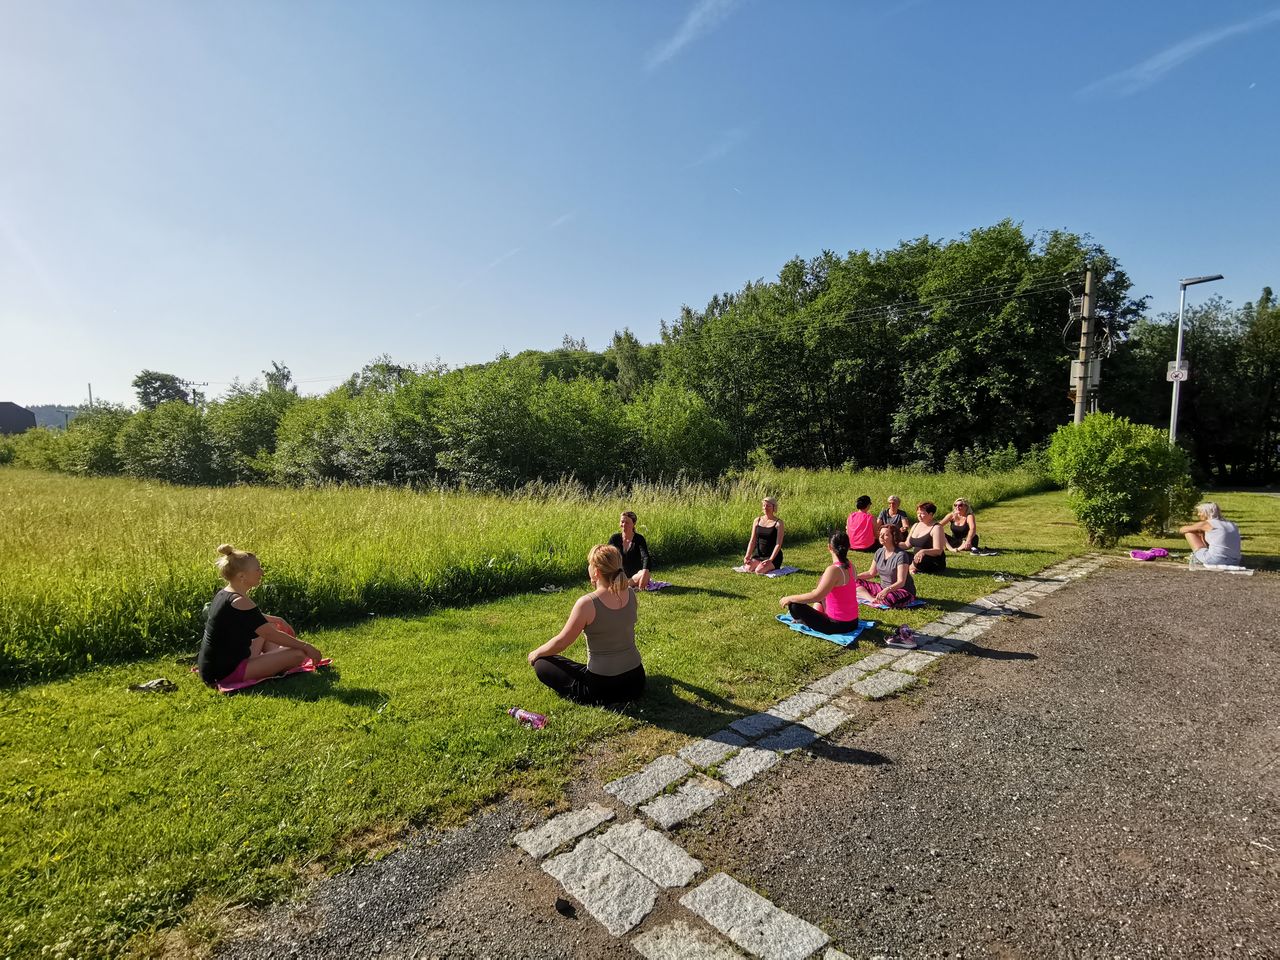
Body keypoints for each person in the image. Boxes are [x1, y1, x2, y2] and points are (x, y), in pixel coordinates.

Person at [528, 544, 646, 706]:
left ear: (596, 572)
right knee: (582, 665)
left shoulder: (587, 603)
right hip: (636, 682)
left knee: (542, 664)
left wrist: (537, 653)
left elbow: (562, 642)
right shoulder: (631, 594)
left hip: (602, 688)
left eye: (590, 564)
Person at [198, 544, 323, 688]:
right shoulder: (241, 601)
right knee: (299, 654)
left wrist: (277, 619)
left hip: (214, 667)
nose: (262, 572)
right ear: (242, 576)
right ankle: (278, 660)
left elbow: (251, 617)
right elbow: (271, 635)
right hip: (225, 672)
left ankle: (275, 658)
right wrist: (307, 646)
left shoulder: (225, 593)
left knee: (268, 625)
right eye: (257, 569)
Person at [779, 532, 862, 635]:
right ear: (848, 547)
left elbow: (816, 596)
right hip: (853, 622)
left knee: (794, 606)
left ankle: (803, 621)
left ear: (829, 547)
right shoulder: (851, 566)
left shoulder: (833, 570)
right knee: (818, 602)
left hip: (837, 626)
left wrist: (789, 598)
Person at [856, 525, 917, 607]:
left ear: (893, 537)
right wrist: (854, 577)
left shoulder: (901, 555)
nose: (881, 536)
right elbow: (871, 573)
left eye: (885, 534)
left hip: (902, 590)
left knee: (887, 599)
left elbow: (901, 582)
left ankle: (876, 598)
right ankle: (872, 599)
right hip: (883, 588)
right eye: (880, 534)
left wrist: (886, 591)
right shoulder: (879, 552)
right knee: (854, 583)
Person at [1180, 501, 1242, 566]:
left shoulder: (1206, 524)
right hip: (1235, 561)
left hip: (1215, 560)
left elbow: (1182, 529)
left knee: (1188, 532)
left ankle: (1196, 557)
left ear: (1207, 512)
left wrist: (1197, 530)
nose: (1198, 514)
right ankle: (1204, 554)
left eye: (1200, 512)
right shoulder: (1232, 524)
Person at [608, 510, 651, 590]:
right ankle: (625, 586)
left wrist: (645, 571)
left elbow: (645, 557)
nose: (624, 525)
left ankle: (625, 586)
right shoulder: (614, 538)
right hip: (618, 575)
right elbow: (608, 556)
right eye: (622, 522)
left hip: (634, 576)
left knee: (644, 574)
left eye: (627, 522)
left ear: (634, 524)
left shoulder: (639, 539)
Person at [743, 497, 785, 574]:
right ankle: (758, 564)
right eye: (764, 505)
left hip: (773, 556)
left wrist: (770, 560)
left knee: (759, 571)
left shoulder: (779, 523)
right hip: (759, 554)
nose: (765, 508)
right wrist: (747, 556)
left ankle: (766, 565)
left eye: (768, 506)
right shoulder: (757, 520)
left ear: (774, 508)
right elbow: (752, 540)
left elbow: (778, 544)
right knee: (748, 568)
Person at [906, 501, 948, 575]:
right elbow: (907, 544)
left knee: (922, 558)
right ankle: (911, 567)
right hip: (916, 557)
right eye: (918, 513)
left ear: (930, 514)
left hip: (932, 560)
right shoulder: (915, 525)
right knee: (900, 554)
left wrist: (923, 551)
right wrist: (893, 545)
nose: (919, 515)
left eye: (922, 513)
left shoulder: (936, 528)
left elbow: (938, 551)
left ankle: (911, 567)